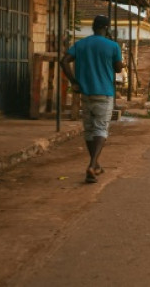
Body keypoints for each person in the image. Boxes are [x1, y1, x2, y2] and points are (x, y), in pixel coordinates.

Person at [60, 15, 124, 184]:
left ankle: (95, 165)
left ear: (94, 27)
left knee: (89, 130)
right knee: (101, 129)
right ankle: (92, 164)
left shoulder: (81, 44)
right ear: (107, 28)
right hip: (104, 93)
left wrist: (73, 81)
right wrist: (119, 62)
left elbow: (64, 60)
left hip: (85, 93)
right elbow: (118, 69)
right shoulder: (113, 46)